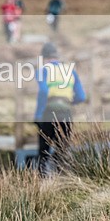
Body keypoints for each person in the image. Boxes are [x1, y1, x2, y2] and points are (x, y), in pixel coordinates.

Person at [34, 42, 86, 177]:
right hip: (66, 111)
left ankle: (43, 180)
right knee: (62, 148)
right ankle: (62, 179)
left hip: (49, 111)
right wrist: (68, 102)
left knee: (44, 149)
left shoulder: (43, 71)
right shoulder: (70, 71)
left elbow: (44, 92)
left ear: (44, 58)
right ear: (57, 56)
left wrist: (38, 115)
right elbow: (81, 96)